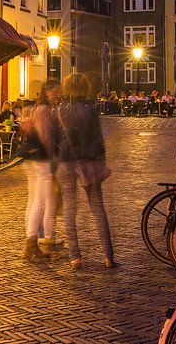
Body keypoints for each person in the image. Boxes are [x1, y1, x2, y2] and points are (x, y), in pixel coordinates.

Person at [57, 73, 115, 270]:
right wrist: (101, 159)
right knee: (98, 209)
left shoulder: (60, 110)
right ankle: (108, 257)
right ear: (85, 87)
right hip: (89, 161)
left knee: (69, 210)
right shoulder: (90, 110)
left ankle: (75, 257)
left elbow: (57, 139)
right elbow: (98, 137)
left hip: (66, 161)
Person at [17, 81, 59, 261]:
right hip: (41, 159)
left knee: (33, 200)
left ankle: (31, 239)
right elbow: (46, 137)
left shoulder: (34, 109)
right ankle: (31, 243)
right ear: (47, 92)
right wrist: (54, 158)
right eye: (54, 92)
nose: (57, 95)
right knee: (39, 202)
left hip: (31, 158)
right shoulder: (44, 111)